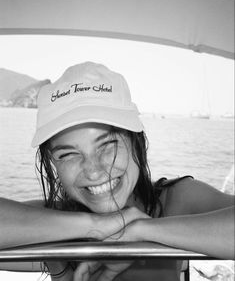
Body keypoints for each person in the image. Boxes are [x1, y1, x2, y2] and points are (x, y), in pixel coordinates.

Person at [0, 62, 234, 281]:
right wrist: (96, 225)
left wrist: (142, 230)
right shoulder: (51, 221)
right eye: (67, 154)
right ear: (53, 164)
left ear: (136, 142)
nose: (93, 171)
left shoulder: (177, 202)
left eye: (107, 144)